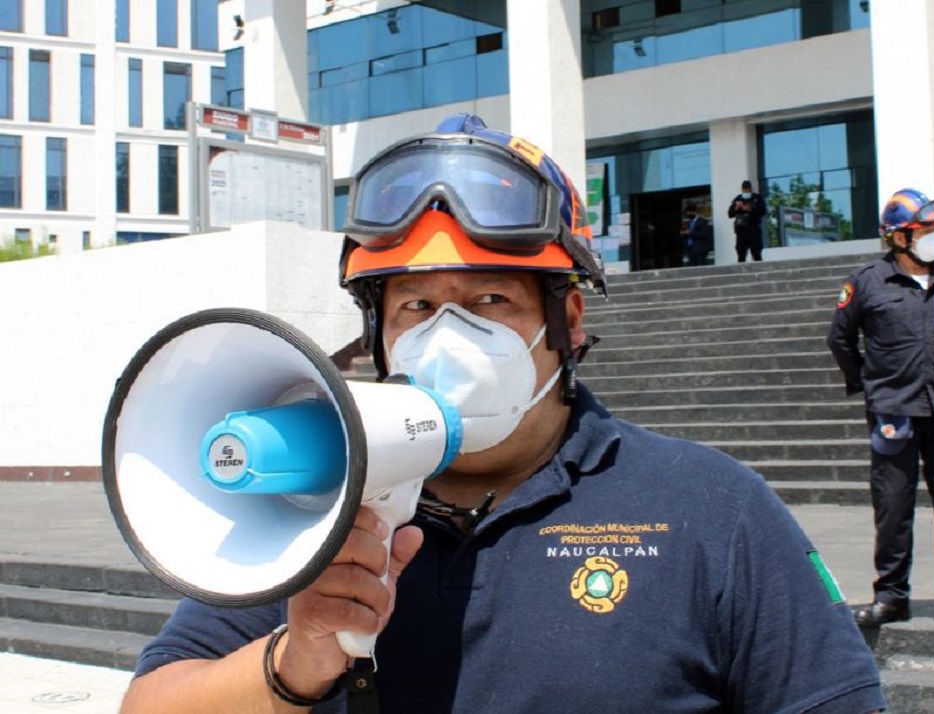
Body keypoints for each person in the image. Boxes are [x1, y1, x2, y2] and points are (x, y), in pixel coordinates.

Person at [120, 114, 886, 714]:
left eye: (491, 300)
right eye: (415, 305)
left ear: (570, 320)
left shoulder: (712, 510)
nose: (447, 335)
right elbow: (152, 703)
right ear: (378, 333)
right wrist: (296, 662)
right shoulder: (316, 516)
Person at [826, 188, 934, 633]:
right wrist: (868, 383)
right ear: (898, 236)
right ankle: (891, 595)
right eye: (924, 230)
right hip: (893, 408)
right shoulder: (868, 282)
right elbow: (840, 339)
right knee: (893, 506)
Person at [727, 180, 767, 262]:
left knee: (756, 253)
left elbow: (763, 212)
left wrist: (751, 209)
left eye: (747, 189)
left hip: (753, 229)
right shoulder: (738, 198)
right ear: (741, 189)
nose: (746, 191)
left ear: (751, 189)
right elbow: (730, 214)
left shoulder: (757, 198)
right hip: (741, 229)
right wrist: (736, 208)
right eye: (744, 190)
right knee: (741, 255)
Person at [684, 202, 711, 267]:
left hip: (700, 249)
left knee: (700, 267)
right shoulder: (689, 222)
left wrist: (690, 233)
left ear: (694, 212)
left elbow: (704, 233)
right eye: (687, 214)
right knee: (691, 268)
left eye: (690, 213)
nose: (689, 216)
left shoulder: (703, 221)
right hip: (690, 249)